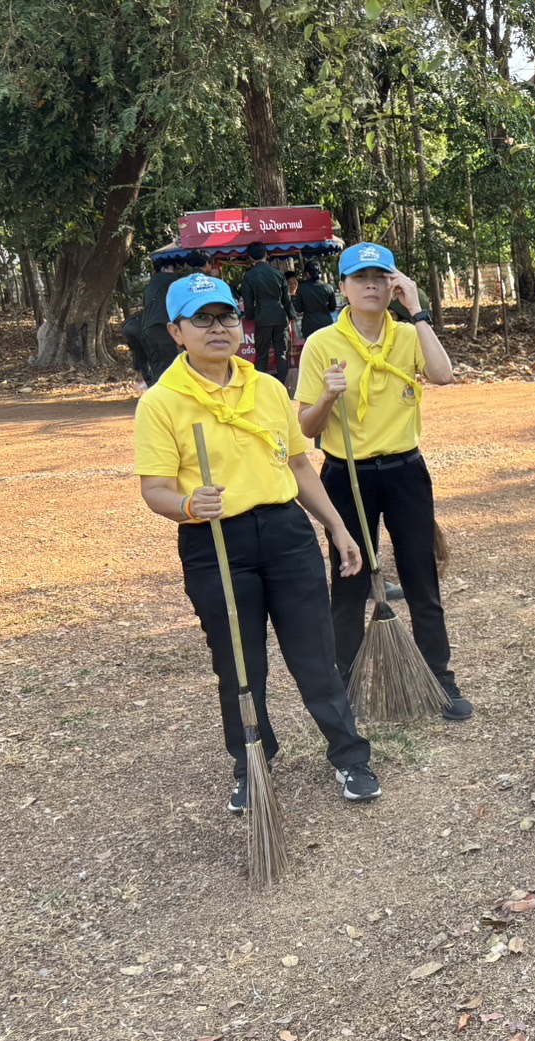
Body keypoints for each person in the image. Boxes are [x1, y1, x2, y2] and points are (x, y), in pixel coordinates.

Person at [133, 274, 383, 809]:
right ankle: (252, 761)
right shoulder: (161, 403)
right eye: (201, 319)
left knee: (315, 653)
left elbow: (299, 465)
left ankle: (350, 754)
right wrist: (188, 505)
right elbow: (155, 489)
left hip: (286, 534)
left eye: (225, 316)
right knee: (240, 664)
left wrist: (337, 527)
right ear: (176, 331)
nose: (217, 328)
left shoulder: (267, 388)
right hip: (215, 542)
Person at [295, 242, 473, 721]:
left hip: (405, 471)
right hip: (346, 474)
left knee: (421, 576)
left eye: (380, 277)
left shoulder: (408, 334)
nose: (371, 286)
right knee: (349, 579)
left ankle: (440, 678)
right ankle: (347, 684)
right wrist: (327, 398)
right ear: (343, 287)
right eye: (360, 278)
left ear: (394, 284)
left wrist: (417, 310)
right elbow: (307, 429)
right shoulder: (322, 344)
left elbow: (443, 375)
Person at [240, 242, 295, 384]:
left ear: (251, 257)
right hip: (280, 317)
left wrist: (250, 316)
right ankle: (282, 384)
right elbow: (287, 300)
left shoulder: (249, 276)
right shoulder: (279, 274)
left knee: (262, 354)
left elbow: (248, 302)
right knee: (281, 353)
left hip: (262, 318)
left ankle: (262, 384)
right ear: (266, 254)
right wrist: (291, 317)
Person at [295, 262, 338, 337]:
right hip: (326, 324)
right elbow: (333, 308)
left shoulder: (302, 288)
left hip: (309, 326)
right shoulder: (328, 287)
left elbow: (298, 309)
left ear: (307, 273)